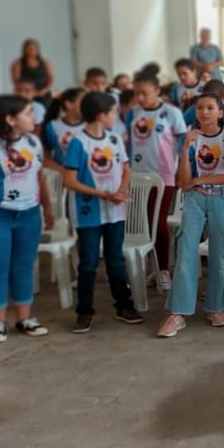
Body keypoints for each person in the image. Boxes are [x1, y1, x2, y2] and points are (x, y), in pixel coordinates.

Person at [0, 95, 54, 343]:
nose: (33, 118)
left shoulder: (33, 142)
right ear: (10, 119)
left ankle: (25, 318)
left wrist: (47, 208)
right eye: (27, 113)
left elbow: (39, 178)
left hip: (28, 214)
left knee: (24, 266)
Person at [155, 93, 224, 338]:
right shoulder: (190, 139)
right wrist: (184, 149)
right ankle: (178, 313)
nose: (204, 112)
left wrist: (201, 179)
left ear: (220, 112)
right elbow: (183, 182)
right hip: (193, 199)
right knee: (185, 252)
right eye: (200, 108)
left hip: (221, 198)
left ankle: (216, 307)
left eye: (210, 107)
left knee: (218, 254)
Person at [62, 92, 140, 333]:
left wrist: (120, 191)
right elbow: (69, 181)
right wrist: (104, 195)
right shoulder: (77, 143)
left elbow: (126, 170)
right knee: (88, 263)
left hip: (115, 212)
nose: (116, 116)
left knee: (116, 260)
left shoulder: (115, 139)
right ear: (100, 115)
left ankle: (123, 305)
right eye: (113, 112)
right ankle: (84, 311)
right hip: (88, 214)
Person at [126, 72, 188, 285]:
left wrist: (180, 171)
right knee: (142, 224)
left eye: (144, 93)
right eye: (137, 94)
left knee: (158, 223)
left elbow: (182, 145)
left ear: (157, 91)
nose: (140, 98)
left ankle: (163, 269)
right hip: (137, 175)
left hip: (164, 175)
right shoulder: (132, 113)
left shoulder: (170, 113)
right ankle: (150, 269)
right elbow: (127, 143)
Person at [42, 87, 87, 169]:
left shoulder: (91, 124)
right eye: (84, 100)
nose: (88, 105)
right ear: (68, 104)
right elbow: (46, 157)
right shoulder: (53, 126)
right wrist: (63, 172)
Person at [10, 39, 54, 103]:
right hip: (25, 95)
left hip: (44, 94)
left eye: (33, 48)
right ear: (24, 49)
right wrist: (29, 92)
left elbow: (51, 78)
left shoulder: (45, 63)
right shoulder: (17, 63)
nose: (31, 50)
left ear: (38, 49)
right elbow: (16, 81)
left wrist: (44, 91)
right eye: (29, 48)